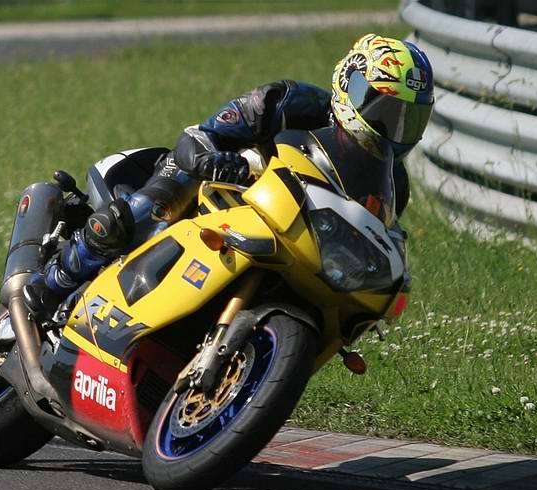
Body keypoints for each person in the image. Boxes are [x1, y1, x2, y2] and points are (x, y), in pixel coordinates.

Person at [23, 33, 435, 316]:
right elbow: (199, 137)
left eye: (408, 120)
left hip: (284, 237)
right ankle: (53, 283)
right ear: (350, 85)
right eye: (385, 111)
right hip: (213, 185)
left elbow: (378, 237)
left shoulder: (394, 184)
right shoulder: (288, 102)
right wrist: (214, 161)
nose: (394, 129)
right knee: (146, 210)